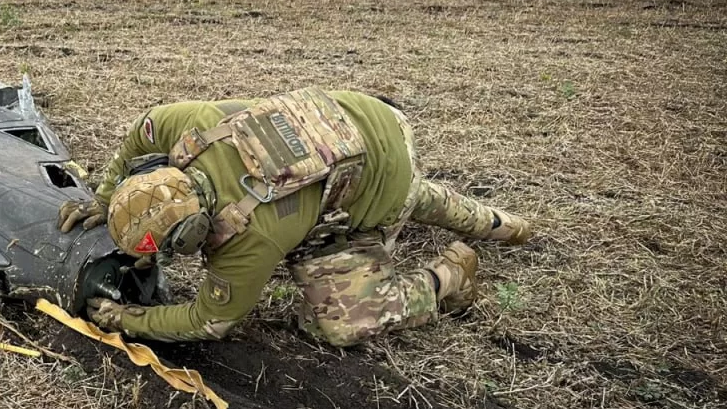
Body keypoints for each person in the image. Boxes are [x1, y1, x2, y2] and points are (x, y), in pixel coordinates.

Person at [57, 87, 531, 346]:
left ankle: (449, 276)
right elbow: (141, 132)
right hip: (367, 118)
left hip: (380, 184)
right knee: (404, 191)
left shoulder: (248, 239)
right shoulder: (190, 126)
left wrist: (128, 319)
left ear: (191, 235)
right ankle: (503, 224)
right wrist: (105, 197)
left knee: (341, 323)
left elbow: (209, 321)